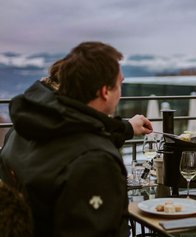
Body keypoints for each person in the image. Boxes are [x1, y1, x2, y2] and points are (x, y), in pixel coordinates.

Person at [0, 41, 153, 237]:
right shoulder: (95, 161)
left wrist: (127, 128)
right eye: (119, 84)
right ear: (105, 91)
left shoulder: (28, 127)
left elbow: (78, 130)